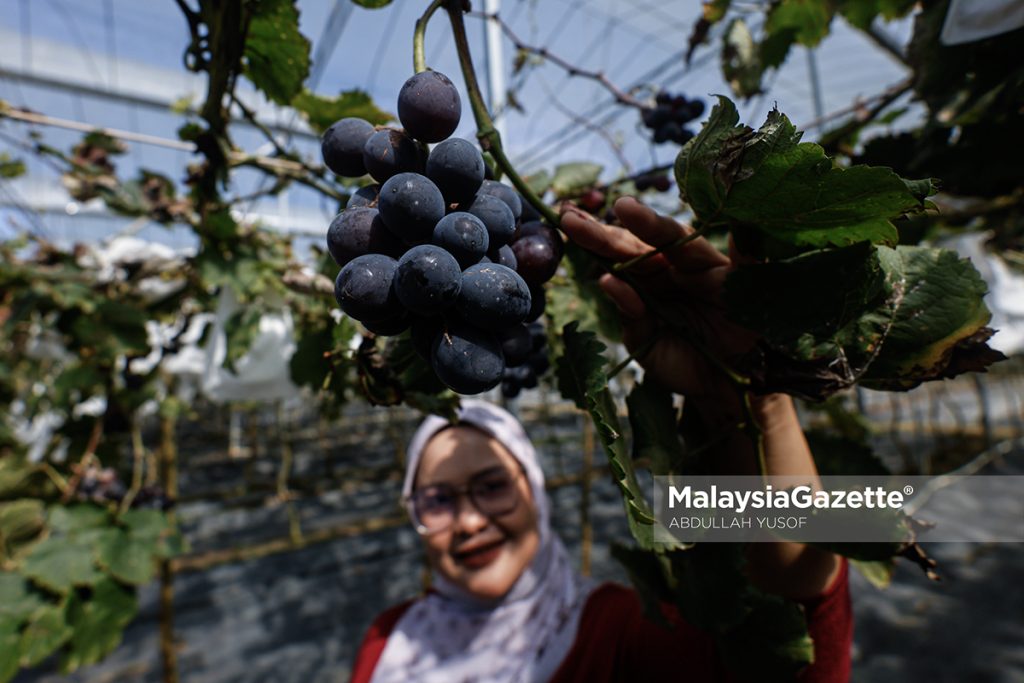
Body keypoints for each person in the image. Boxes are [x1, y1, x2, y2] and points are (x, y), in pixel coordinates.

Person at [350, 198, 853, 682]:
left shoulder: (614, 633)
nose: (469, 521)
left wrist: (753, 397)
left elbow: (787, 659)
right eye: (436, 499)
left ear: (534, 488)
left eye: (492, 485)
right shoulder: (385, 640)